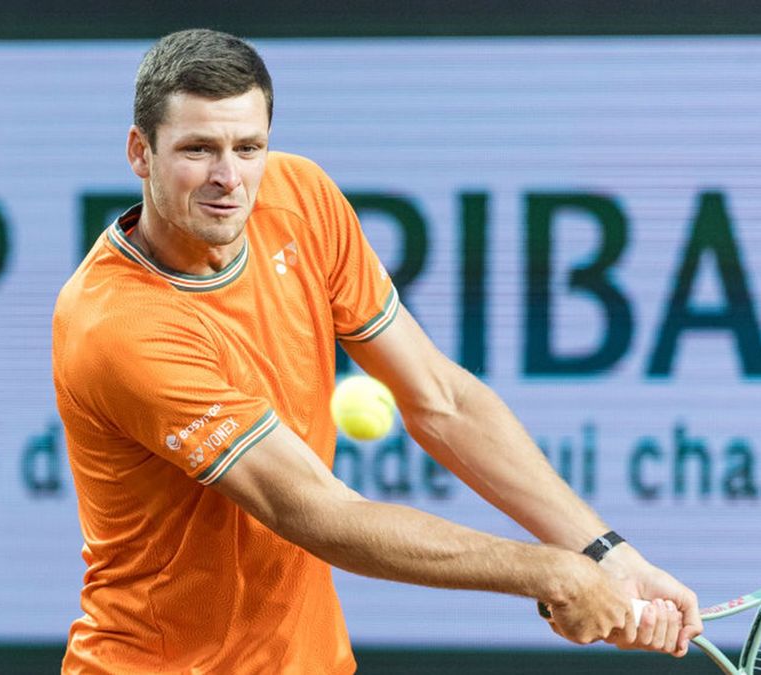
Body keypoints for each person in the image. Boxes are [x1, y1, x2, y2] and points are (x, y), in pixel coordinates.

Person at [52, 28, 701, 674]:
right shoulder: (119, 325)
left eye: (248, 147)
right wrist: (554, 573)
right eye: (198, 150)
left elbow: (441, 399)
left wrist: (607, 553)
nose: (229, 178)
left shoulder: (300, 196)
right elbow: (314, 512)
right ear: (141, 152)